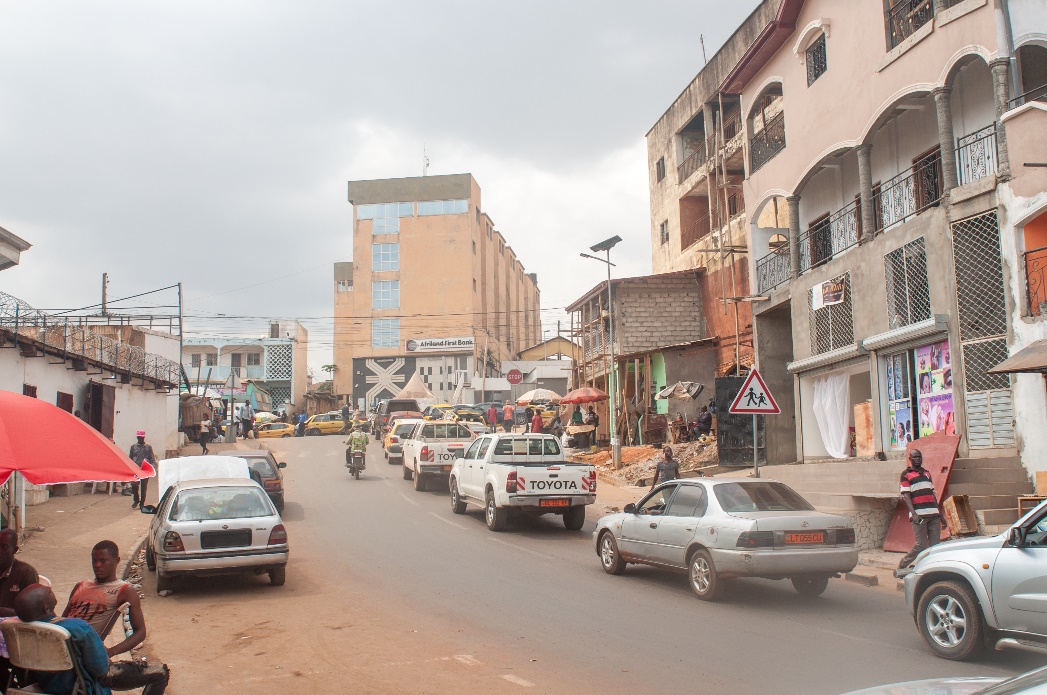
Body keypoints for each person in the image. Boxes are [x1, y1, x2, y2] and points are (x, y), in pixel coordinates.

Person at [63, 541, 170, 694]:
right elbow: (64, 620)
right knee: (160, 673)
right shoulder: (81, 586)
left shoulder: (124, 590)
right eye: (94, 561)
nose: (97, 565)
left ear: (117, 561)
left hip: (89, 657)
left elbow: (140, 632)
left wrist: (111, 651)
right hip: (80, 661)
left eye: (103, 561)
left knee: (160, 672)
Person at [14, 584, 111, 695]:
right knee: (129, 672)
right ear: (46, 608)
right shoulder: (77, 628)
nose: (51, 589)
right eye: (49, 592)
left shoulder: (16, 630)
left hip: (43, 684)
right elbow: (100, 669)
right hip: (75, 689)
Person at [895, 448, 942, 577]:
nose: (917, 459)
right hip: (919, 515)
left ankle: (928, 568)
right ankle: (903, 564)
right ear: (910, 459)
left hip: (933, 514)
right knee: (921, 544)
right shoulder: (906, 474)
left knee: (935, 546)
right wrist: (913, 514)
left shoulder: (927, 473)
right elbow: (906, 495)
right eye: (915, 457)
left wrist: (940, 515)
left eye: (919, 457)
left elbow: (932, 495)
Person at [0, 528, 39, 617]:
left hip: (16, 627)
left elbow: (33, 611)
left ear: (15, 550)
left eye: (4, 547)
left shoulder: (26, 573)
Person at [128, 431, 156, 510]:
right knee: (134, 485)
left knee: (144, 487)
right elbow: (130, 458)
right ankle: (136, 500)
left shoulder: (148, 447)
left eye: (142, 438)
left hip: (145, 470)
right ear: (137, 438)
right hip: (136, 469)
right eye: (139, 438)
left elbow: (152, 459)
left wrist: (152, 468)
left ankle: (142, 502)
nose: (140, 439)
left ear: (144, 438)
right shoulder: (133, 447)